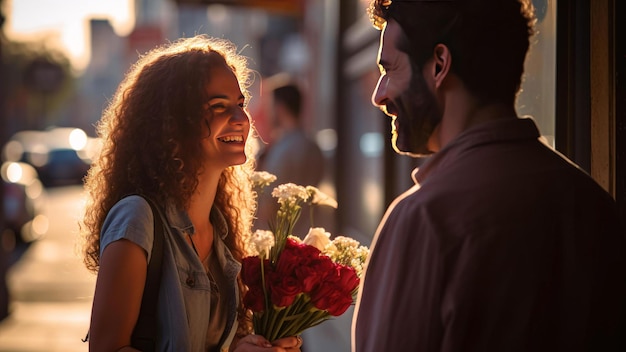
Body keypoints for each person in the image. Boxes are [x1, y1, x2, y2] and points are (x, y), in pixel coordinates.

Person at [352, 1, 626, 351]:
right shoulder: (594, 204)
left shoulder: (426, 218)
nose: (380, 95)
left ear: (439, 64)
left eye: (390, 70)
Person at [81, 35, 303, 352]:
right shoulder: (137, 219)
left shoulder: (225, 233)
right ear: (172, 123)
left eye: (240, 104)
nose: (242, 119)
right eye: (218, 107)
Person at [255, 82, 325, 237]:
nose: (267, 112)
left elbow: (267, 206)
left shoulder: (282, 150)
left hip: (281, 240)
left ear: (280, 108)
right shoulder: (313, 146)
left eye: (269, 105)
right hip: (309, 235)